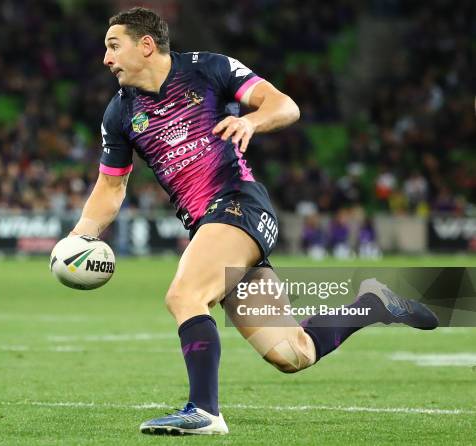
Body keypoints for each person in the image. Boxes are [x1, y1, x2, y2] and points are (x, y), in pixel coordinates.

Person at [69, 7, 439, 435]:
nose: (106, 59)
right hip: (211, 226)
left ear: (146, 45)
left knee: (185, 295)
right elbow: (110, 189)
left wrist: (252, 121)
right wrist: (80, 235)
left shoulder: (208, 69)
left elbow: (284, 105)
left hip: (239, 205)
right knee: (291, 353)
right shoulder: (119, 114)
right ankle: (373, 304)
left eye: (114, 46)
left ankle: (204, 411)